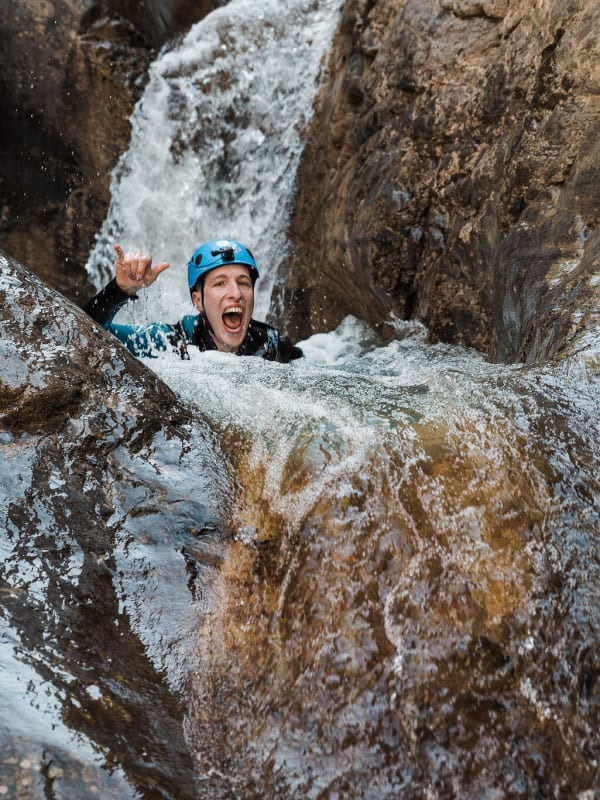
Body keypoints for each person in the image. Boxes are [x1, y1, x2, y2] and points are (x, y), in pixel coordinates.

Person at [83, 238, 303, 362]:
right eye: (220, 283)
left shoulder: (272, 345)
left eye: (243, 282)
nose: (236, 293)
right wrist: (120, 289)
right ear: (198, 301)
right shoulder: (171, 342)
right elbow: (87, 333)